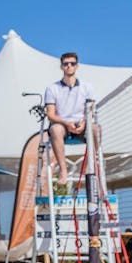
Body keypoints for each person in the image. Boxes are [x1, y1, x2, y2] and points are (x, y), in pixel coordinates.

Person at [44, 52, 98, 186]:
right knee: (55, 129)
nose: (69, 66)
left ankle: (90, 165)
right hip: (63, 125)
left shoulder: (87, 87)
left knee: (96, 128)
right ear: (61, 67)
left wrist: (84, 122)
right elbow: (50, 114)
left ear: (77, 66)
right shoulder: (52, 88)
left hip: (82, 124)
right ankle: (63, 170)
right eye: (66, 64)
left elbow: (90, 110)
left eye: (72, 63)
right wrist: (67, 123)